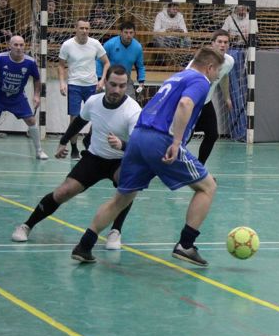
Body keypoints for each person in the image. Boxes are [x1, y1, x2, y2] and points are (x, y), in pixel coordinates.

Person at [70, 46, 224, 266]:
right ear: (209, 67)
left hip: (139, 137)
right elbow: (185, 103)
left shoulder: (177, 77)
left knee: (121, 199)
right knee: (208, 187)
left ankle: (84, 245)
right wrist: (176, 142)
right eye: (217, 70)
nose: (217, 75)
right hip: (160, 139)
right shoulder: (200, 80)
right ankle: (186, 244)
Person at [12, 65, 141, 247]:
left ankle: (115, 231)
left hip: (120, 160)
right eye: (113, 84)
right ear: (105, 82)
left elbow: (138, 145)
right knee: (63, 192)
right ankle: (26, 226)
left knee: (128, 187)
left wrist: (123, 145)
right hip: (94, 158)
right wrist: (63, 141)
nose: (117, 90)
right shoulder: (93, 102)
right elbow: (80, 121)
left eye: (122, 86)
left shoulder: (133, 110)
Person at [0, 35, 49, 160]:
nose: (19, 47)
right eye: (15, 45)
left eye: (21, 45)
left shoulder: (30, 62)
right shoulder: (0, 58)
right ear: (9, 46)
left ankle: (39, 151)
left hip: (18, 97)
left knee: (31, 121)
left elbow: (37, 79)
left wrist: (36, 95)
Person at [59, 18, 109, 159]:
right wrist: (62, 82)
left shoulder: (95, 44)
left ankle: (89, 142)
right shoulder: (67, 45)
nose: (84, 31)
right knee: (74, 118)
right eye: (81, 28)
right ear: (76, 28)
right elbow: (61, 65)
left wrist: (102, 80)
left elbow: (106, 63)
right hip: (74, 85)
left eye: (87, 28)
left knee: (96, 117)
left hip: (92, 86)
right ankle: (74, 147)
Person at [189, 30, 234, 164]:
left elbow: (224, 76)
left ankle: (199, 166)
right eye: (219, 42)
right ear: (212, 44)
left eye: (225, 42)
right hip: (192, 103)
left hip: (206, 102)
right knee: (185, 137)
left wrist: (227, 98)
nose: (223, 45)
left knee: (212, 134)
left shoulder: (229, 61)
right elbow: (186, 81)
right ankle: (168, 163)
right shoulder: (198, 62)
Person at [95, 21, 145, 99]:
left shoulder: (138, 47)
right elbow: (99, 61)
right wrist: (100, 78)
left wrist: (141, 81)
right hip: (109, 78)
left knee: (131, 102)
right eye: (126, 32)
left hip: (126, 79)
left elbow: (140, 66)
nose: (128, 35)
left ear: (134, 33)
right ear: (121, 33)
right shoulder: (110, 44)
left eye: (131, 33)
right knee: (105, 100)